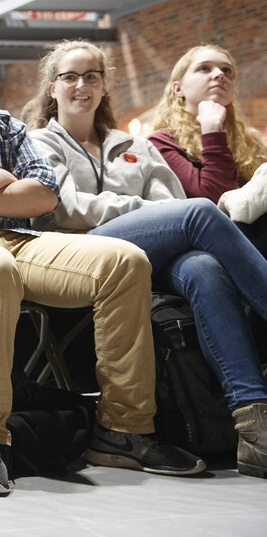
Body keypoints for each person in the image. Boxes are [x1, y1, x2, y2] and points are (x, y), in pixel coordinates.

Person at [0, 18, 204, 497]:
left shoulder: (4, 122)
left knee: (124, 261)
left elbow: (44, 195)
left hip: (12, 240)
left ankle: (123, 431)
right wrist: (1, 181)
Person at [26, 40, 267, 478]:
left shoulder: (133, 145)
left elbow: (168, 199)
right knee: (200, 212)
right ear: (52, 88)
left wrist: (141, 209)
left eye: (92, 76)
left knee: (203, 267)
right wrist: (136, 207)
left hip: (142, 253)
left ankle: (253, 426)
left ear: (103, 88)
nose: (82, 85)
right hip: (78, 253)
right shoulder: (38, 142)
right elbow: (66, 209)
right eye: (70, 76)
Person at [147, 45, 267, 254]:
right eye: (204, 68)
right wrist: (212, 130)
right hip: (207, 245)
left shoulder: (252, 141)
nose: (219, 74)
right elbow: (213, 199)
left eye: (226, 70)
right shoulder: (161, 142)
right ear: (178, 88)